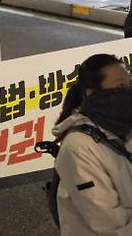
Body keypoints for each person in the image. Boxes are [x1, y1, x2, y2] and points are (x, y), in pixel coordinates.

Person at [53, 54, 132, 235]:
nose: (128, 90)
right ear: (92, 93)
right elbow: (108, 225)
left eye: (130, 83)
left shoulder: (124, 129)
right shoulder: (78, 148)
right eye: (120, 86)